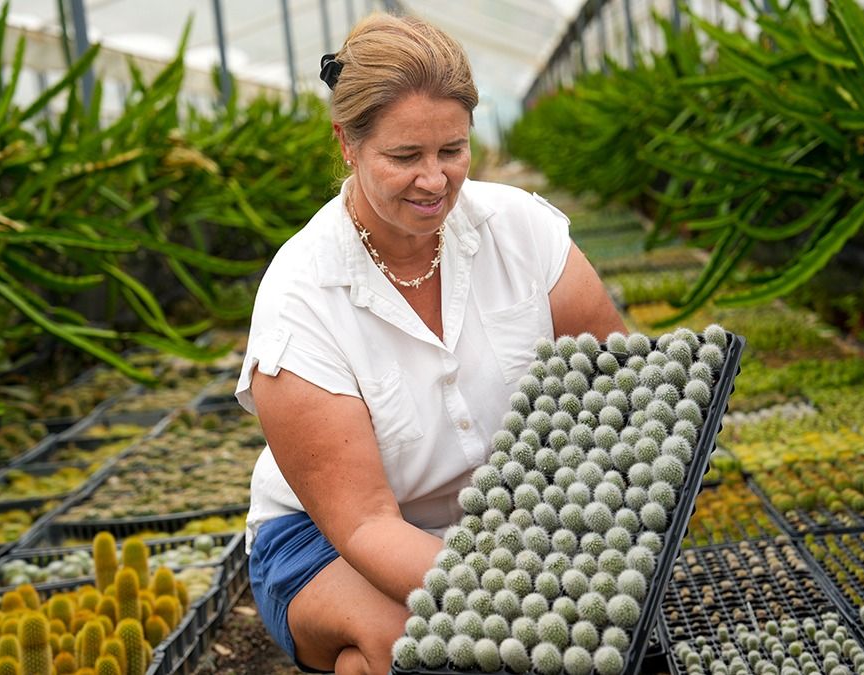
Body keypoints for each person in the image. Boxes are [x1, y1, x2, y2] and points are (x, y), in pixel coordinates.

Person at [234, 12, 625, 675]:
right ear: (348, 144)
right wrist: (516, 594)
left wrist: (578, 536)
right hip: (333, 538)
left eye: (452, 150)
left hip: (510, 524)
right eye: (404, 157)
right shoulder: (301, 298)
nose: (435, 179)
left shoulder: (522, 232)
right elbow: (364, 523)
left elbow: (618, 385)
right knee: (417, 643)